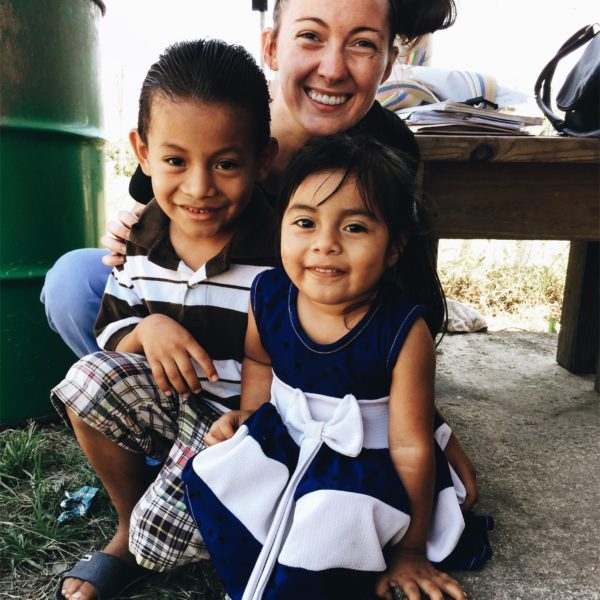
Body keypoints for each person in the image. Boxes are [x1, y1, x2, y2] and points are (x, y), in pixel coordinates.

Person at [182, 134, 491, 600]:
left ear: (393, 247)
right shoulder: (267, 295)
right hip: (286, 441)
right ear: (281, 227)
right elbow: (259, 359)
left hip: (365, 464)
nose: (325, 244)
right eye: (305, 222)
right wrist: (250, 417)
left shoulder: (404, 332)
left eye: (354, 228)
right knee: (220, 477)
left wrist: (411, 550)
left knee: (324, 527)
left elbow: (410, 446)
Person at [51, 39, 277, 600]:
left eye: (226, 163)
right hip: (168, 403)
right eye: (176, 161)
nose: (199, 188)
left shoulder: (282, 253)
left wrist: (251, 421)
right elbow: (107, 330)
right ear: (143, 152)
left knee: (164, 545)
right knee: (87, 379)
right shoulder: (144, 237)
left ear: (263, 159)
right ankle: (128, 523)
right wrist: (145, 328)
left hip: (238, 426)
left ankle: (229, 531)